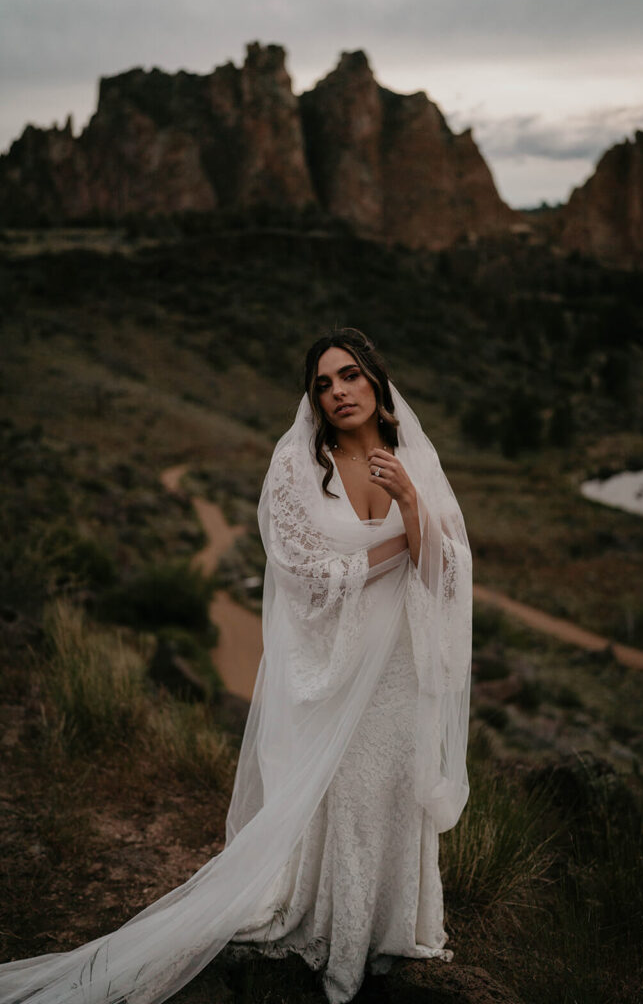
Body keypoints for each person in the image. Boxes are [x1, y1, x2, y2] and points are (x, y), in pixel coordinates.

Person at [0, 328, 472, 1004]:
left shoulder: (411, 463)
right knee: (337, 790)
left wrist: (409, 504)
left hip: (396, 663)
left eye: (349, 376)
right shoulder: (297, 468)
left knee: (390, 786)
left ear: (375, 380)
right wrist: (395, 547)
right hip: (336, 664)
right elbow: (299, 571)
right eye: (322, 383)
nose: (337, 391)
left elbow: (447, 570)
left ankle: (385, 930)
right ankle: (328, 923)